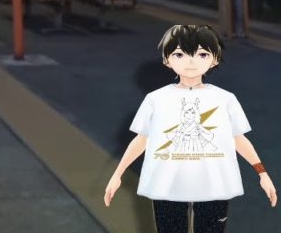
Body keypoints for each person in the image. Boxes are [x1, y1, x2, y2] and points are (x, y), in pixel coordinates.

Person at [104, 25, 277, 232]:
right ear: (167, 60)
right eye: (180, 54)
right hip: (167, 186)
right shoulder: (155, 99)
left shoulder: (226, 99)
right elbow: (142, 140)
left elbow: (238, 140)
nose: (191, 61)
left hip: (214, 186)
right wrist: (117, 174)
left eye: (202, 54)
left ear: (215, 58)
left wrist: (262, 173)